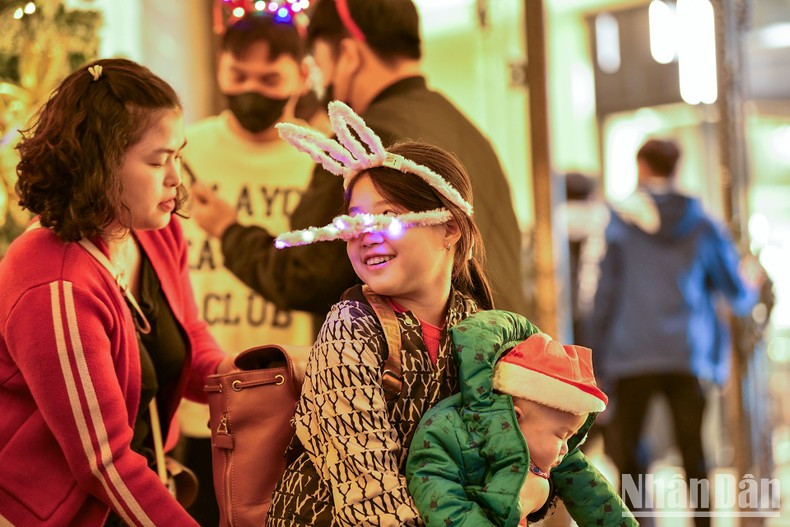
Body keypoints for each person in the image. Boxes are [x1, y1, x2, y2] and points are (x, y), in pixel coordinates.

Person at [190, 0, 529, 333]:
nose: (323, 86)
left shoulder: (365, 145)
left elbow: (306, 275)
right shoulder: (466, 130)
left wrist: (230, 231)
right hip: (497, 357)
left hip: (430, 373)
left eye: (321, 66)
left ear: (349, 55)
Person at [0, 58, 227, 526]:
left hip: (135, 494)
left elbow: (190, 339)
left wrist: (268, 372)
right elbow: (102, 462)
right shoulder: (55, 283)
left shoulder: (153, 230)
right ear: (98, 164)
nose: (176, 179)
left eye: (178, 155)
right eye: (157, 160)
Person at [259, 101, 492, 526]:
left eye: (388, 217)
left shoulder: (481, 326)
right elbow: (368, 496)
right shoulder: (350, 328)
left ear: (450, 227)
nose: (366, 236)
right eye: (355, 220)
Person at [177, 12, 317, 524]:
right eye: (240, 77)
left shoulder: (317, 162)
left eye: (269, 80)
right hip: (200, 398)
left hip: (293, 400)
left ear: (302, 76)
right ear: (220, 70)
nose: (252, 91)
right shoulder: (184, 150)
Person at [585, 139, 760, 525]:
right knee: (694, 454)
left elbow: (604, 296)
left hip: (630, 354)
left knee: (631, 454)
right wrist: (753, 285)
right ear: (677, 169)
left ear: (642, 168)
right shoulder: (702, 222)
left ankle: (640, 522)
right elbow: (736, 292)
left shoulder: (620, 221)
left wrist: (595, 358)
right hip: (688, 353)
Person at [406, 311, 637, 526]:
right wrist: (521, 502)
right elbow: (446, 508)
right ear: (516, 418)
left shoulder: (536, 438)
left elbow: (592, 493)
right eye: (561, 436)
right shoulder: (445, 434)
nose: (566, 449)